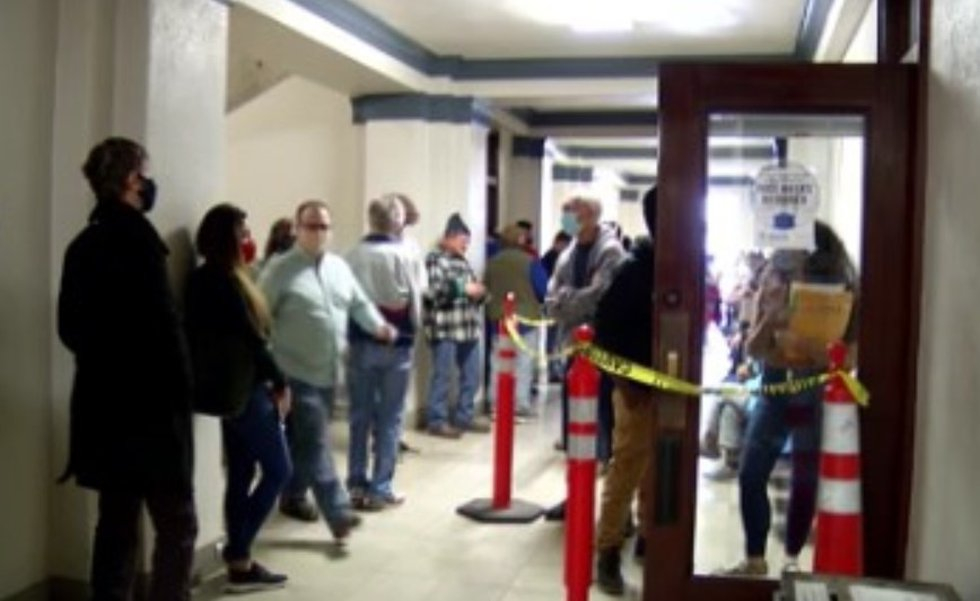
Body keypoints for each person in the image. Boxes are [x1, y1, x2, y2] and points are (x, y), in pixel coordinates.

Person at [57, 137, 198, 600]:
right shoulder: (141, 241)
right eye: (145, 173)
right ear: (132, 180)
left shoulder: (81, 246)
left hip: (103, 410)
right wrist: (183, 396)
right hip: (153, 415)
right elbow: (165, 330)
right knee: (176, 525)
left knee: (116, 525)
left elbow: (70, 330)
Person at [724, 220, 859, 576]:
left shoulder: (840, 285)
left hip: (812, 391)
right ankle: (755, 558)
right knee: (751, 473)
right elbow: (753, 348)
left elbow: (850, 355)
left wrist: (812, 349)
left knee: (805, 476)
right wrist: (772, 315)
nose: (789, 264)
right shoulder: (773, 276)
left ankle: (793, 559)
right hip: (773, 387)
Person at [260, 200, 396, 542]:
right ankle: (338, 514)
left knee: (300, 442)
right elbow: (260, 316)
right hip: (293, 372)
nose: (319, 233)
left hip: (329, 372)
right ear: (297, 228)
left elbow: (359, 303)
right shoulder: (280, 269)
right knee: (317, 441)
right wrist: (266, 367)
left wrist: (379, 326)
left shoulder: (338, 267)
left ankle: (291, 495)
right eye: (311, 226)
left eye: (324, 227)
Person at [185, 204, 292, 592]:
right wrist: (280, 382)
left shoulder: (202, 279)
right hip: (246, 391)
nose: (249, 239)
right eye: (242, 232)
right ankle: (239, 554)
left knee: (242, 473)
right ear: (226, 237)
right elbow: (253, 340)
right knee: (280, 471)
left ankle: (240, 563)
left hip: (225, 392)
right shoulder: (223, 282)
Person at [591, 187, 657, 595]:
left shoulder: (675, 265)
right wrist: (626, 386)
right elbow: (604, 335)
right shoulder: (635, 270)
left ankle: (650, 537)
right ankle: (608, 552)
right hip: (635, 388)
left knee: (657, 470)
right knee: (627, 469)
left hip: (667, 385)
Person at [544, 196, 626, 520]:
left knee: (606, 427)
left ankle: (616, 512)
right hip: (572, 350)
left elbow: (600, 296)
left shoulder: (611, 252)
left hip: (602, 351)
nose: (566, 219)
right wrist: (568, 300)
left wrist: (567, 300)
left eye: (572, 213)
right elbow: (551, 297)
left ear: (590, 215)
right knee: (573, 428)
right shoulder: (567, 253)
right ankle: (574, 494)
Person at [344, 196, 418, 510]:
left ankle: (356, 485)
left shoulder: (351, 255)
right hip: (396, 345)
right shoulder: (406, 255)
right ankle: (381, 487)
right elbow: (416, 300)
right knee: (390, 418)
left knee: (359, 417)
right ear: (398, 221)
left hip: (360, 343)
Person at [423, 213, 490, 438]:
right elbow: (433, 292)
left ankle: (465, 416)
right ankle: (436, 420)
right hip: (445, 329)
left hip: (469, 328)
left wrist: (480, 293)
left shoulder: (464, 262)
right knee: (442, 376)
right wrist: (464, 289)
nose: (466, 245)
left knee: (472, 375)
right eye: (463, 240)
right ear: (449, 238)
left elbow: (476, 292)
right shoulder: (434, 259)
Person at [484, 223, 549, 419]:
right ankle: (520, 403)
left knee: (498, 362)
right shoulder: (530, 261)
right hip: (526, 318)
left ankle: (495, 402)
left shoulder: (492, 262)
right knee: (523, 362)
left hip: (499, 317)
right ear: (521, 240)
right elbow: (543, 289)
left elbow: (486, 287)